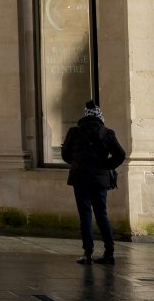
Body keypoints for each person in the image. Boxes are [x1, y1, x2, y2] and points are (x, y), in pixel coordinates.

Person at [62, 99, 126, 265]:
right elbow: (120, 155)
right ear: (99, 117)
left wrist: (77, 162)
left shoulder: (74, 132)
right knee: (102, 215)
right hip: (99, 180)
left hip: (80, 178)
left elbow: (65, 155)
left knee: (85, 216)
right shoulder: (107, 133)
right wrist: (106, 165)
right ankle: (109, 252)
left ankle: (88, 253)